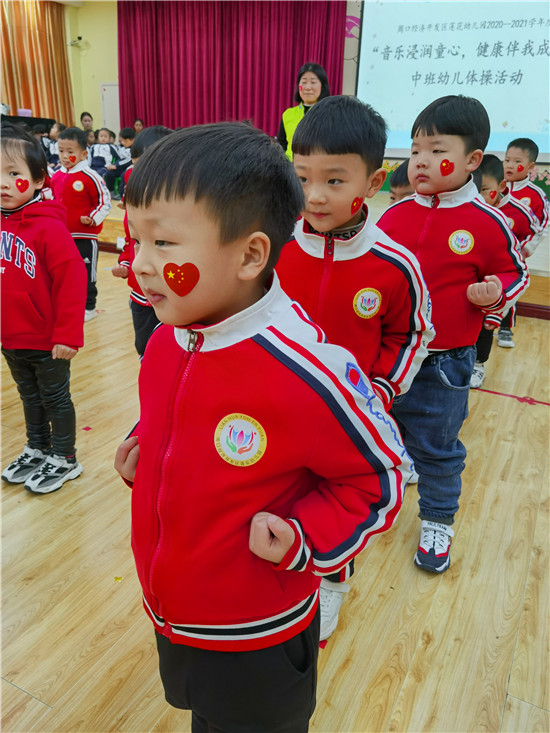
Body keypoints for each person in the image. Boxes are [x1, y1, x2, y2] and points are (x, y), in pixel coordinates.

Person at [114, 121, 410, 733]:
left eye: (163, 243)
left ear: (250, 255)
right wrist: (146, 446)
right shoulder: (170, 339)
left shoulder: (305, 370)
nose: (139, 265)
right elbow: (179, 415)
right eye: (135, 239)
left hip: (257, 635)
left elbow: (380, 478)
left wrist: (303, 539)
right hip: (177, 610)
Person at [276, 95, 433, 639]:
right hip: (277, 407)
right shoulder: (274, 245)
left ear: (374, 181)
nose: (315, 195)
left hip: (347, 417)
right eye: (303, 178)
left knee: (335, 505)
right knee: (277, 493)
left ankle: (331, 584)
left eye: (335, 181)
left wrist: (380, 391)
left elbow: (411, 334)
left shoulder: (394, 263)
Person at [378, 95, 529, 573]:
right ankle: (390, 483)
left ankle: (438, 520)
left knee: (439, 449)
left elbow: (515, 273)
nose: (420, 161)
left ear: (472, 160)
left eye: (435, 150)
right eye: (414, 150)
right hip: (388, 357)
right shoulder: (393, 216)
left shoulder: (487, 222)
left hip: (444, 363)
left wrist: (495, 292)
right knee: (381, 433)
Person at [0, 123, 87, 493]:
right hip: (10, 335)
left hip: (47, 338)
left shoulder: (48, 228)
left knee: (54, 398)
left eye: (13, 173)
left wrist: (67, 334)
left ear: (38, 180)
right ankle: (37, 447)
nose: (3, 183)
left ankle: (65, 457)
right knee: (29, 396)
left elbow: (72, 280)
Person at [471, 153, 539, 387]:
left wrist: (524, 250)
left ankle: (478, 365)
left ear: (500, 187)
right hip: (472, 275)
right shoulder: (471, 208)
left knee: (487, 322)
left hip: (498, 276)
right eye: (474, 190)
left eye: (484, 190)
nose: (478, 196)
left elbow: (534, 230)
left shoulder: (516, 211)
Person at [111, 125, 173, 356]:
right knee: (144, 348)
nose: (141, 173)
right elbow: (130, 239)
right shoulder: (133, 192)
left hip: (173, 291)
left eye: (148, 165)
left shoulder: (182, 205)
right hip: (141, 293)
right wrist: (125, 263)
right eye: (136, 165)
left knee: (172, 350)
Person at [51, 127, 111, 321]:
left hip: (84, 237)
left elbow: (104, 202)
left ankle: (89, 308)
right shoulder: (56, 176)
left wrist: (92, 218)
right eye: (61, 151)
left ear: (83, 154)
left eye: (70, 152)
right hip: (60, 237)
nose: (65, 156)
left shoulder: (90, 176)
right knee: (63, 274)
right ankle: (68, 306)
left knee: (85, 274)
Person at [500, 137, 549, 347]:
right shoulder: (496, 187)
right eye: (507, 160)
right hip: (490, 250)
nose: (510, 165)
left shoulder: (535, 195)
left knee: (510, 288)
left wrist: (525, 249)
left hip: (514, 255)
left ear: (530, 167)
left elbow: (542, 225)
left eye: (517, 161)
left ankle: (505, 328)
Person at [277, 62, 330, 160]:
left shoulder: (329, 114)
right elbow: (281, 145)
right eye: (304, 82)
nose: (307, 87)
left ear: (322, 86)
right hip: (290, 167)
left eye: (313, 82)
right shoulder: (288, 114)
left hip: (318, 166)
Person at [103, 127, 135, 198]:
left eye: (126, 141)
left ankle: (121, 194)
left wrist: (116, 165)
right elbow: (117, 157)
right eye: (122, 141)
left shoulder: (134, 149)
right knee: (109, 173)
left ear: (132, 140)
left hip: (127, 167)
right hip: (119, 167)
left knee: (124, 175)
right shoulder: (120, 147)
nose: (123, 143)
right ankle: (111, 191)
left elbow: (129, 160)